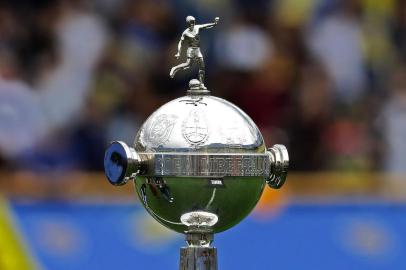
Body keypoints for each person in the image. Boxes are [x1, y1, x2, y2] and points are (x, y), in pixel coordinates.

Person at [170, 16, 219, 89]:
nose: (192, 24)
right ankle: (175, 68)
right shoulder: (185, 32)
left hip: (198, 50)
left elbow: (207, 25)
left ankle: (202, 84)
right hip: (190, 50)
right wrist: (178, 52)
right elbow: (180, 42)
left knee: (202, 66)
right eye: (190, 22)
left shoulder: (197, 27)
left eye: (193, 22)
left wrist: (215, 23)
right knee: (188, 64)